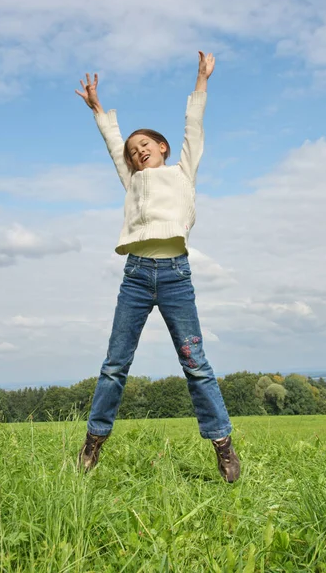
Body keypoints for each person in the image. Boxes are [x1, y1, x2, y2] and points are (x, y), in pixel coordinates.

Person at [75, 52, 240, 482]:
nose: (136, 151)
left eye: (143, 144)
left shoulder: (182, 172)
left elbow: (194, 127)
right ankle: (92, 445)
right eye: (132, 151)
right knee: (115, 364)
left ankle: (223, 445)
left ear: (162, 147)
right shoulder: (133, 181)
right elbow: (114, 144)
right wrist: (99, 110)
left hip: (175, 277)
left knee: (195, 363)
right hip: (135, 276)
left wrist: (201, 80)